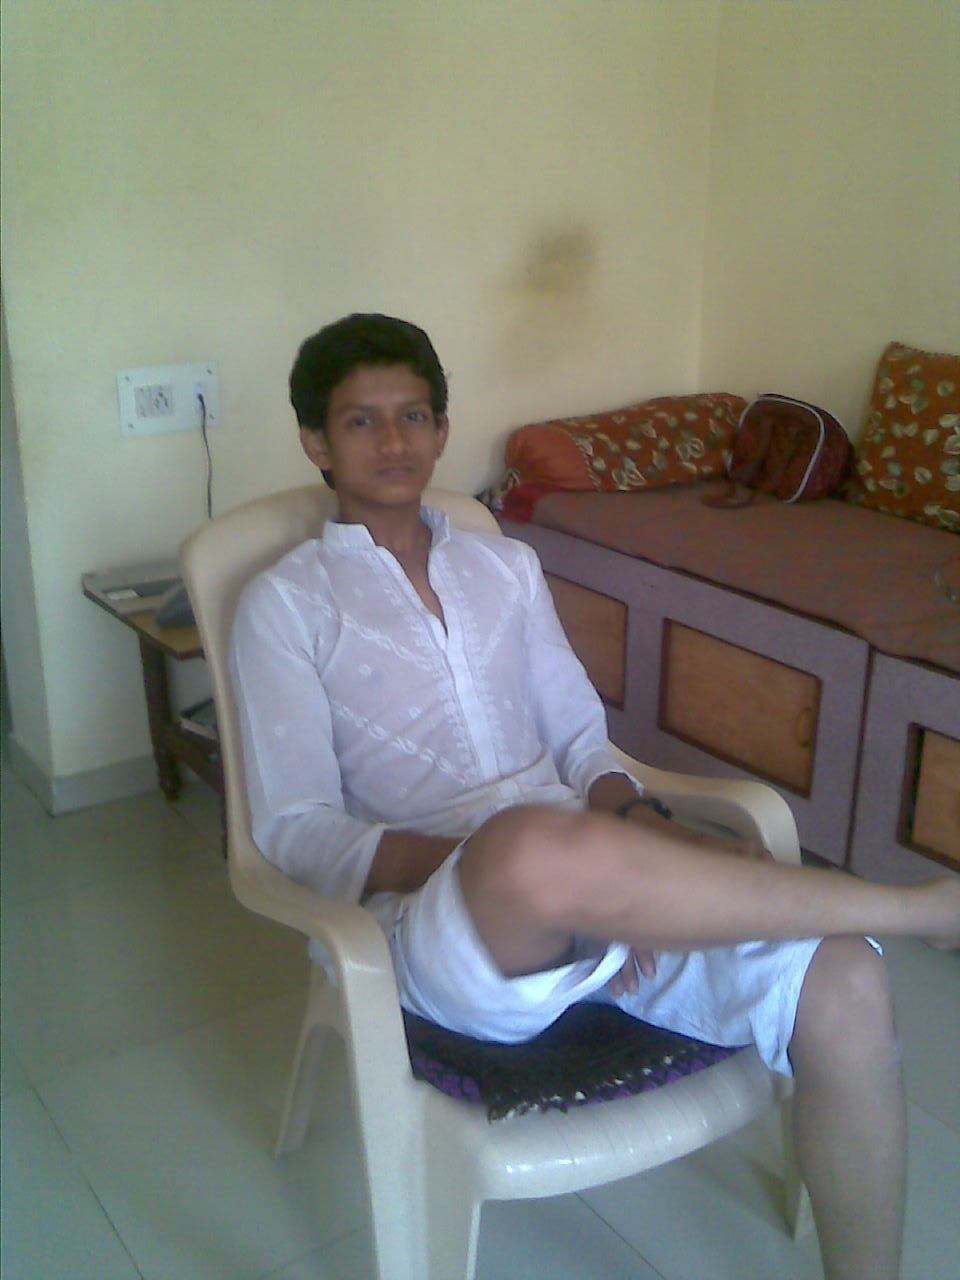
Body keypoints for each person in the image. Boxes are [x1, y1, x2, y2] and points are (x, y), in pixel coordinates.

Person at [230, 312, 959, 1280]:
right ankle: (908, 907)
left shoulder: (505, 565)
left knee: (848, 984)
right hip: (447, 929)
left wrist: (642, 824)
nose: (394, 441)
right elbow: (295, 830)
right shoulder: (285, 604)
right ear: (316, 442)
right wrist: (504, 867)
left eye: (413, 415)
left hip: (604, 885)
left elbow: (582, 739)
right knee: (531, 848)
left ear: (443, 429)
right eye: (361, 421)